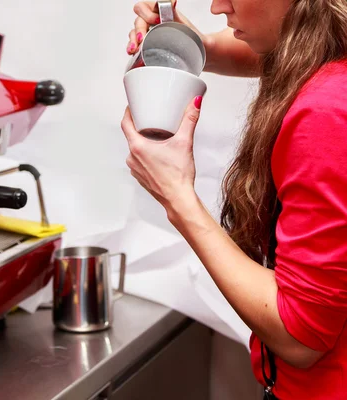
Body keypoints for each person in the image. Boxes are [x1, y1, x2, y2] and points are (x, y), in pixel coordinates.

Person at [122, 0, 347, 399]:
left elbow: (302, 339)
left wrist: (177, 198)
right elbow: (284, 50)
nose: (216, 5)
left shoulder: (326, 113)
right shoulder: (332, 57)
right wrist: (190, 44)